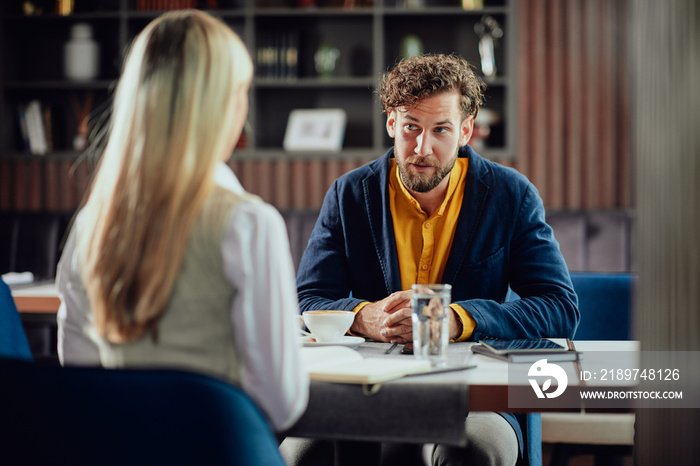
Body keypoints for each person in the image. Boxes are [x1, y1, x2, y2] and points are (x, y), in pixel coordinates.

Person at [293, 54, 579, 465]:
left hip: (474, 399)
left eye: (440, 129)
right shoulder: (348, 195)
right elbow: (309, 301)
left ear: (466, 130)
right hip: (362, 395)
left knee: (473, 452)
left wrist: (458, 320)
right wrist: (364, 317)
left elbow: (559, 309)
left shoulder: (510, 195)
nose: (421, 148)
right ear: (391, 123)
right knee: (303, 455)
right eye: (410, 127)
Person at [56, 10, 308, 432]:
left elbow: (80, 371)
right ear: (217, 105)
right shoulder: (248, 224)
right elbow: (282, 403)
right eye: (240, 92)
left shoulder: (90, 226)